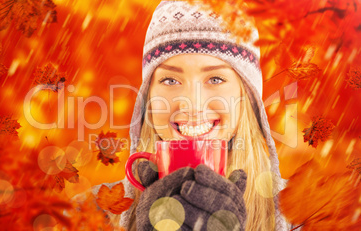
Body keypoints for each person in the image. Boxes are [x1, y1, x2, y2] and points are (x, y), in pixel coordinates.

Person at [103, 1, 291, 230]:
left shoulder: (304, 214)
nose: (191, 104)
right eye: (170, 80)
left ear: (248, 97)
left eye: (215, 79)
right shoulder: (93, 213)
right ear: (148, 97)